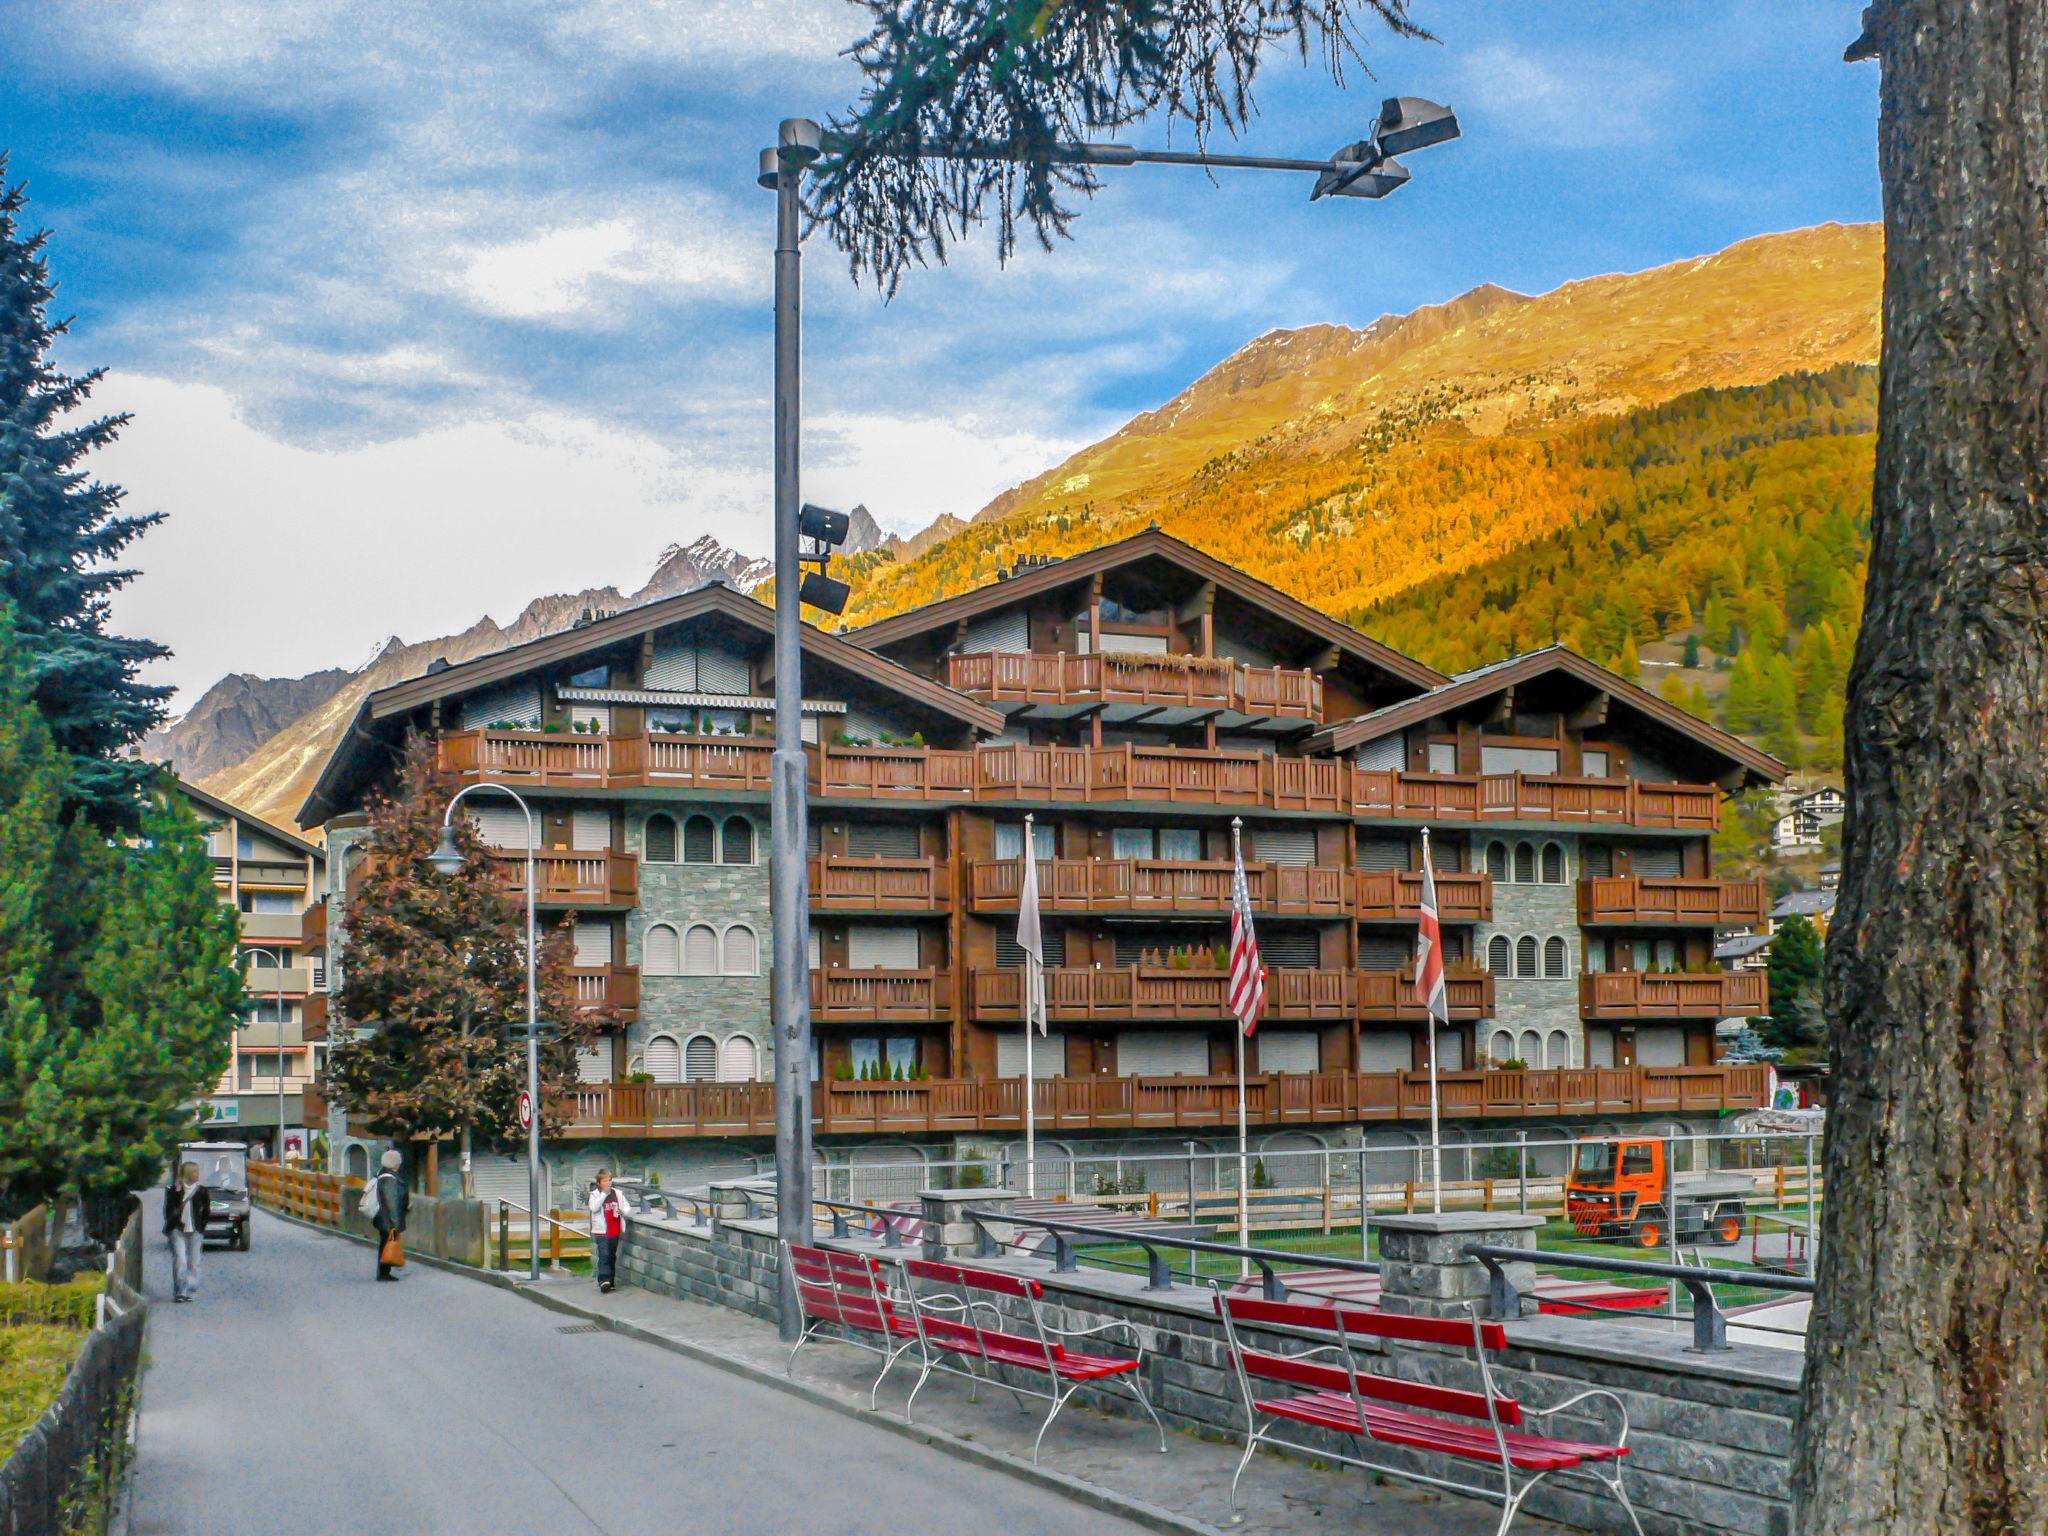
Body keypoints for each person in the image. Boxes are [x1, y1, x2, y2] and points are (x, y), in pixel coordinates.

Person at [163, 1161, 210, 1303]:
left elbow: (207, 1210)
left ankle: (190, 1290)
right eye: (195, 1172)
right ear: (189, 1174)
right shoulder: (175, 1190)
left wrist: (201, 1228)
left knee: (194, 1262)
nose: (198, 1174)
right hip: (178, 1230)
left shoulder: (202, 1191)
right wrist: (172, 1225)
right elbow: (167, 1209)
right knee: (180, 1260)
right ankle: (180, 1291)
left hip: (195, 1231)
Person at [371, 1149, 409, 1282]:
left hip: (383, 1219)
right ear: (394, 1164)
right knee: (389, 1244)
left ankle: (384, 1271)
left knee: (386, 1244)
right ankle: (384, 1272)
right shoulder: (389, 1179)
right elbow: (391, 1202)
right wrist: (395, 1224)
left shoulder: (381, 1174)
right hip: (389, 1221)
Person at [588, 1170, 626, 1294]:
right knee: (604, 1254)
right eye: (605, 1181)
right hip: (601, 1230)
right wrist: (603, 1194)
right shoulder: (594, 1194)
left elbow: (626, 1206)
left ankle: (611, 1281)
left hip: (614, 1229)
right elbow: (594, 1208)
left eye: (609, 1180)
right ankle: (603, 1280)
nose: (608, 1182)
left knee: (611, 1256)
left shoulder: (617, 1193)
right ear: (599, 1183)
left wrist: (623, 1211)